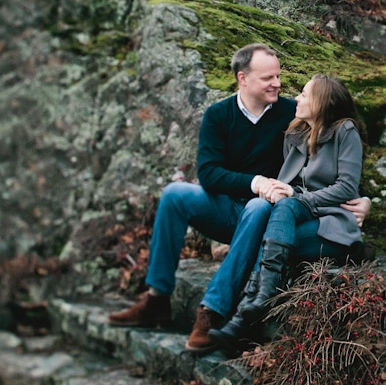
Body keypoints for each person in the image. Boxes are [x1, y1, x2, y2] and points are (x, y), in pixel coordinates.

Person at [107, 44, 371, 353]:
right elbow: (208, 174)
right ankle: (157, 297)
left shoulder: (293, 112)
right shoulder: (219, 115)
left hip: (266, 213)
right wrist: (255, 182)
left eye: (278, 76)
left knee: (259, 206)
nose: (277, 84)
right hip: (230, 208)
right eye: (267, 78)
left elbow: (335, 148)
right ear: (242, 78)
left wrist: (363, 199)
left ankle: (212, 313)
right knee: (175, 193)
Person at [209, 74, 367, 355]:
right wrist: (282, 191)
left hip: (332, 225)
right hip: (297, 220)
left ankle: (248, 312)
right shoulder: (296, 134)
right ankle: (252, 308)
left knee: (278, 217)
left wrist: (298, 197)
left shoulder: (345, 131)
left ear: (322, 101)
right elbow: (290, 184)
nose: (297, 98)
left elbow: (346, 187)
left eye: (304, 94)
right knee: (274, 219)